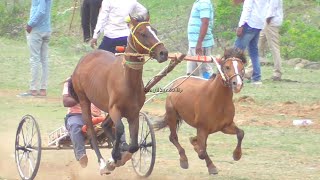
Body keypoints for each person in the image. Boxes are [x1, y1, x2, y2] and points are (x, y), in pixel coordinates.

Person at [63, 78, 127, 168]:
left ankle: (123, 148)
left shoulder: (98, 80)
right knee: (75, 126)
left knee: (116, 122)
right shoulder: (71, 81)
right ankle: (81, 155)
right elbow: (65, 101)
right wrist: (82, 97)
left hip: (95, 117)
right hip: (76, 115)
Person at [19, 0, 52, 97]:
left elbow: (41, 11)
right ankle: (43, 89)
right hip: (46, 29)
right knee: (44, 60)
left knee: (35, 59)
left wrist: (30, 24)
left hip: (37, 30)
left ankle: (33, 89)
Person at [233, 0, 269, 85]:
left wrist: (241, 25)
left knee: (236, 52)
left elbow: (247, 9)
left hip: (249, 24)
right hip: (259, 24)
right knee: (254, 52)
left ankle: (235, 76)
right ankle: (257, 78)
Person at [186, 0, 214, 79]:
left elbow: (205, 22)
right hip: (193, 44)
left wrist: (199, 42)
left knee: (205, 71)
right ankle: (193, 90)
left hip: (201, 44)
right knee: (191, 73)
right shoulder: (198, 2)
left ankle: (210, 87)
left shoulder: (204, 2)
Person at [258, 0, 283, 81]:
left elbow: (273, 6)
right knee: (257, 47)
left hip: (270, 22)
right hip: (265, 21)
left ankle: (277, 73)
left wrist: (268, 18)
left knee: (274, 47)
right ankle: (250, 71)